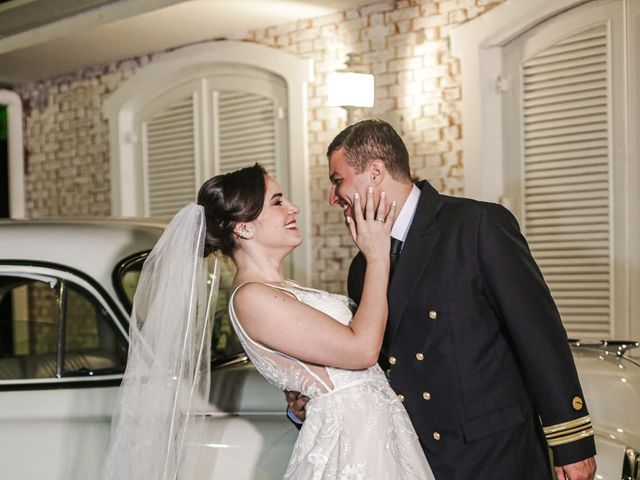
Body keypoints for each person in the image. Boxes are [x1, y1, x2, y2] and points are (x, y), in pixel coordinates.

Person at [288, 119, 597, 480]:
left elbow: (539, 337)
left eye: (337, 180)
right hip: (414, 456)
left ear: (374, 172)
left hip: (494, 452)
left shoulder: (477, 226)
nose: (332, 197)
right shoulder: (363, 266)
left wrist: (572, 442)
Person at [198, 164, 435, 479]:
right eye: (278, 201)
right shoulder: (250, 297)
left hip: (373, 432)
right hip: (353, 442)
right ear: (244, 227)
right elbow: (362, 350)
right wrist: (378, 256)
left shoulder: (281, 289)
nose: (293, 208)